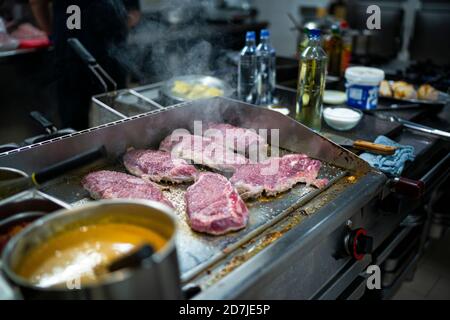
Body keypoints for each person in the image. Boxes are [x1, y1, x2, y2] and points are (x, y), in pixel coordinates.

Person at [29, 0, 140, 130]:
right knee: (115, 118)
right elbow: (133, 15)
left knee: (76, 127)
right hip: (101, 50)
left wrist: (53, 32)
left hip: (73, 49)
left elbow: (36, 3)